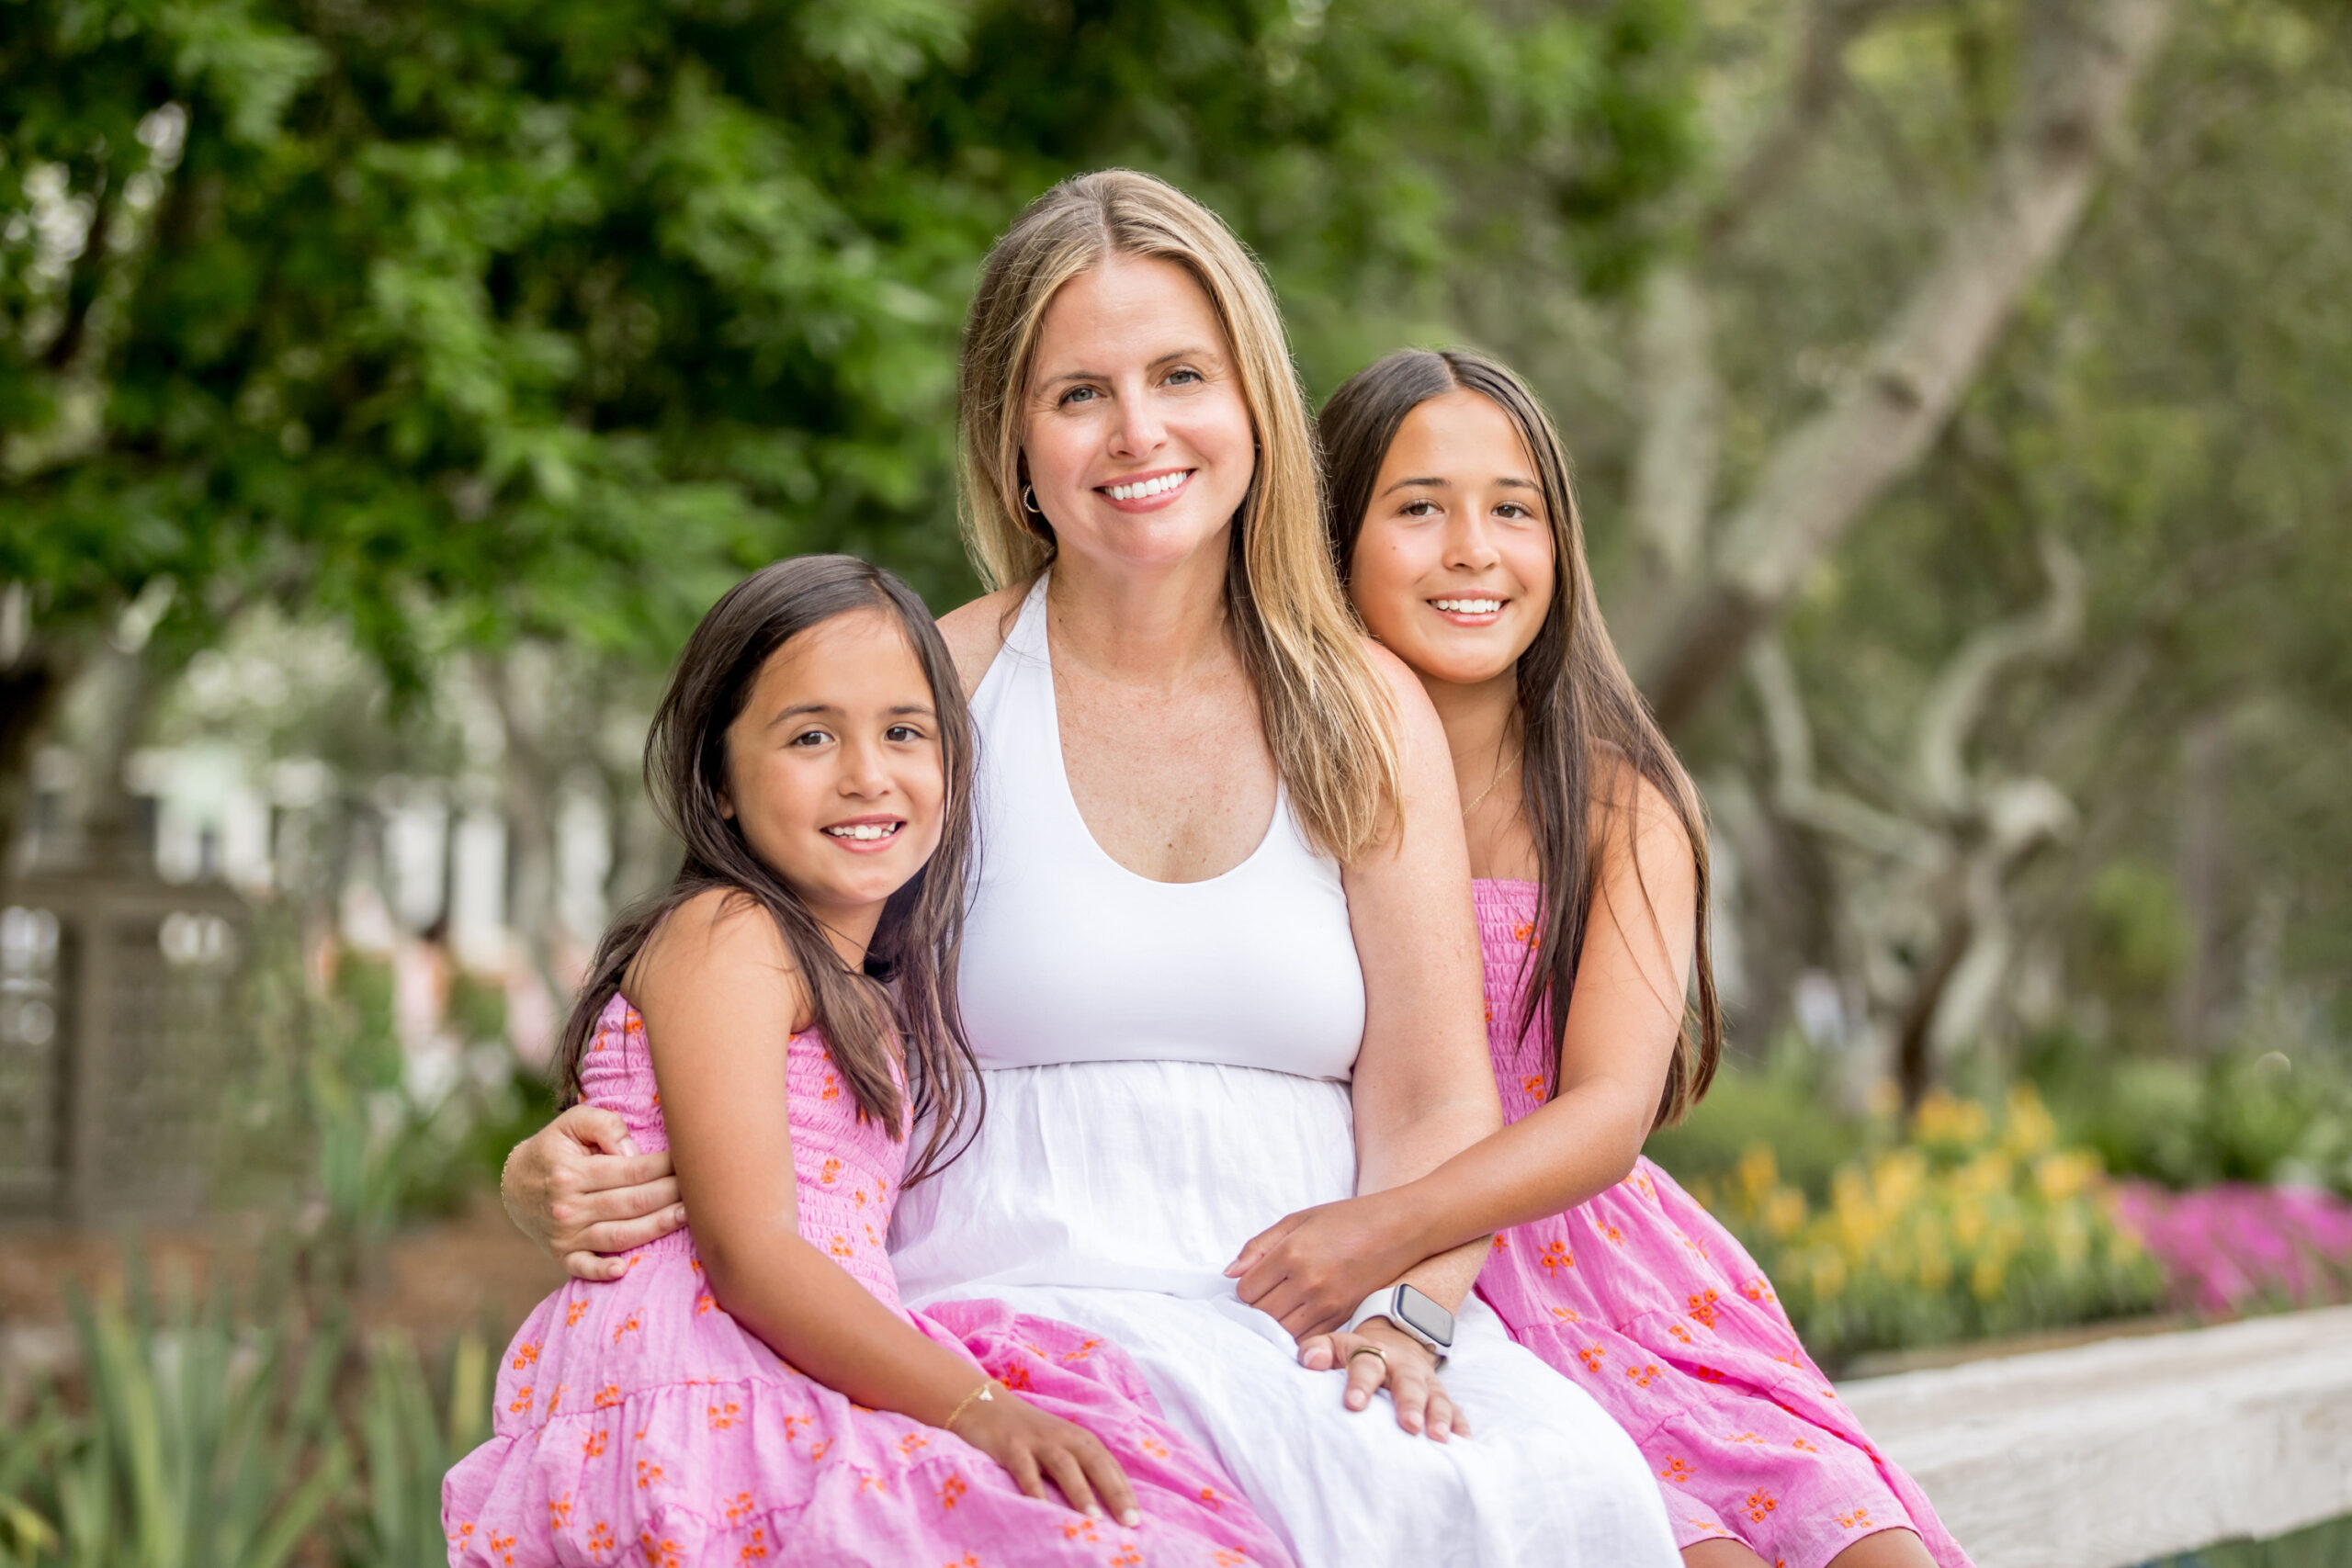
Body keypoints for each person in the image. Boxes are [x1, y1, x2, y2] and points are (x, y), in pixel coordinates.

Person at [502, 172, 1681, 1567]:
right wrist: (557, 1161)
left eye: (1182, 374)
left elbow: (1431, 1097)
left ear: (1253, 405)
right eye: (1079, 394)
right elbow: (750, 968)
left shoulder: (1363, 706)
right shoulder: (934, 683)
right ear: (1013, 441)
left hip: (1311, 1309)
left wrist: (1412, 1312)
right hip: (1004, 1303)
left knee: (1564, 1492)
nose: (1140, 432)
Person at [1224, 347, 1972, 1568]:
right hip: (1404, 1281)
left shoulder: (1617, 804)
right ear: (1332, 535)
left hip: (1611, 1279)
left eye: (1512, 508)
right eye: (1419, 507)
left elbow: (1611, 1109)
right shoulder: (1284, 782)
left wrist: (1386, 1235)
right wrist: (1380, 1255)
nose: (1474, 547)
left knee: (1862, 1543)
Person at [446, 555, 1291, 1567]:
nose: (866, 774)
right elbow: (751, 1256)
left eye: (904, 732)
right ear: (717, 780)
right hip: (712, 1384)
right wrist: (979, 1408)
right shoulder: (729, 932)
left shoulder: (862, 981)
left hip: (787, 1361)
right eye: (811, 736)